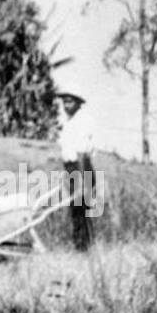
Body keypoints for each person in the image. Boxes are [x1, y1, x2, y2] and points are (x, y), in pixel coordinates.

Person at [56, 91, 95, 251]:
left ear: (78, 103)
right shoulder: (68, 122)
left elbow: (82, 152)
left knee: (82, 208)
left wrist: (80, 181)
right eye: (64, 102)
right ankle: (79, 245)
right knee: (75, 209)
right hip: (72, 168)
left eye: (70, 102)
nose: (66, 106)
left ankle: (84, 247)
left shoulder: (82, 121)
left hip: (81, 167)